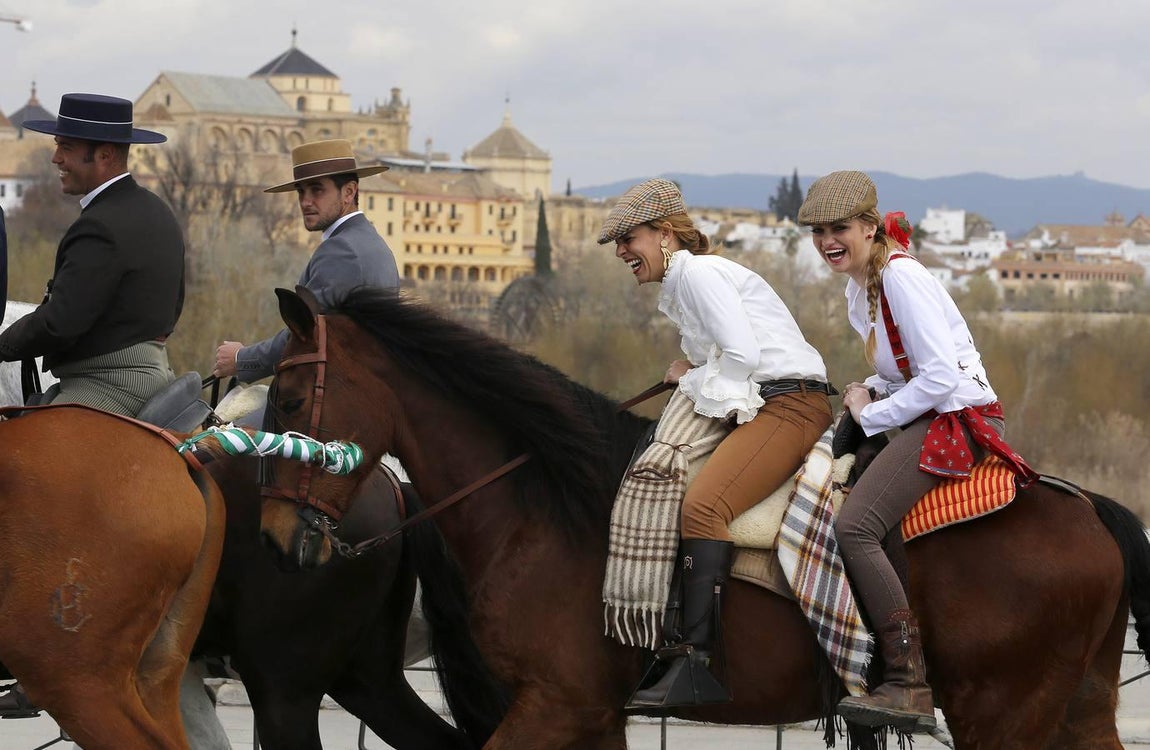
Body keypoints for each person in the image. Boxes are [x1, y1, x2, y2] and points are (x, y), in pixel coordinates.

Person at [797, 170, 1036, 732]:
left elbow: (938, 378)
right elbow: (904, 373)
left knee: (853, 526)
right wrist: (869, 389)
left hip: (954, 420)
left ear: (869, 227)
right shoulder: (863, 287)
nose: (828, 241)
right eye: (818, 232)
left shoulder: (901, 279)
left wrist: (869, 413)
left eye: (840, 229)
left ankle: (906, 680)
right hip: (927, 412)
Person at [598, 178, 834, 708]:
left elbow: (743, 356)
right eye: (615, 243)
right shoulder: (684, 283)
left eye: (626, 239)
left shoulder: (699, 275)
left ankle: (694, 663)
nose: (619, 252)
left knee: (703, 507)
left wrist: (689, 376)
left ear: (662, 234)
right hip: (769, 401)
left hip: (789, 405)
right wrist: (696, 368)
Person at [0, 93, 184, 416]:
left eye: (66, 148)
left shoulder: (100, 225)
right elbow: (175, 306)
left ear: (105, 155)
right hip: (157, 375)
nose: (56, 158)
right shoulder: (159, 211)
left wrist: (2, 345)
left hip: (107, 385)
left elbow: (59, 323)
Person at [212, 139, 398, 381]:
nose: (305, 201)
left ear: (349, 192)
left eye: (317, 190)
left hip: (341, 396)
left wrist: (240, 359)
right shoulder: (371, 242)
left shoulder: (342, 250)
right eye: (301, 191)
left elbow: (304, 333)